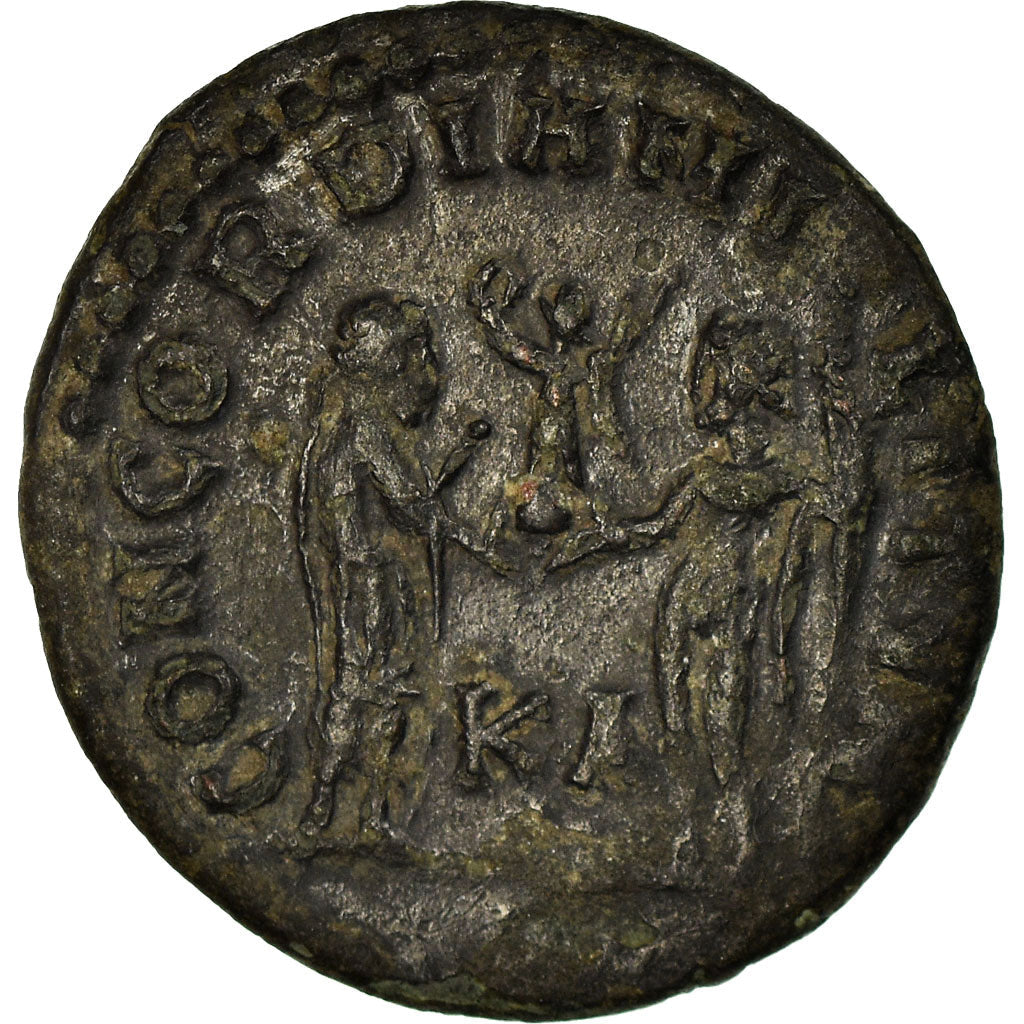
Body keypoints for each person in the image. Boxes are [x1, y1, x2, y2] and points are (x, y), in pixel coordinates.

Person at [297, 296, 464, 835]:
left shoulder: (335, 429)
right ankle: (358, 808)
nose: (425, 372)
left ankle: (337, 804)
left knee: (355, 689)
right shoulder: (365, 428)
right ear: (390, 364)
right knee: (379, 687)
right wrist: (450, 521)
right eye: (415, 358)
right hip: (371, 586)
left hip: (354, 580)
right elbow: (410, 504)